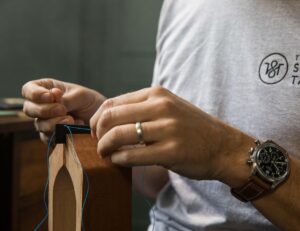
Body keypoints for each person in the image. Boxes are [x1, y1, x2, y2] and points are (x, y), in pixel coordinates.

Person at [22, 0, 300, 230]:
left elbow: (212, 150)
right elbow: (159, 182)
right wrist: (109, 126)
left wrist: (225, 152)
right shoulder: (181, 5)